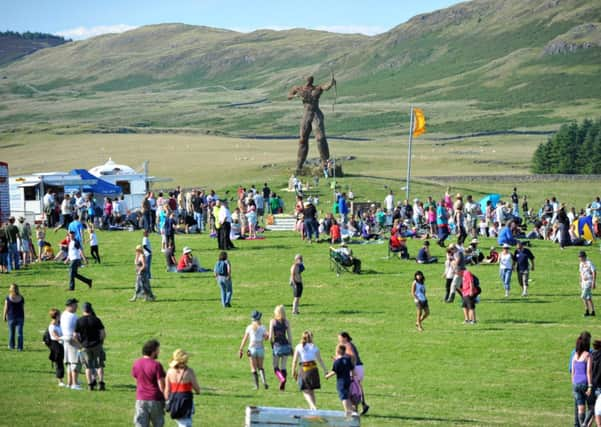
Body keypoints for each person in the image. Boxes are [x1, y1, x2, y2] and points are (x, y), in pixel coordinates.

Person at [287, 75, 336, 174]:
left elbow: (325, 87)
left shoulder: (317, 88)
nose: (309, 81)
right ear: (304, 80)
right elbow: (288, 96)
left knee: (320, 138)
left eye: (310, 79)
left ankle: (325, 164)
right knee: (302, 140)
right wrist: (295, 96)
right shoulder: (299, 89)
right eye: (307, 79)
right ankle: (299, 166)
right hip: (306, 114)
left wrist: (331, 82)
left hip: (316, 114)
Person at [291, 330, 329, 410]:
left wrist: (293, 371)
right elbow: (320, 360)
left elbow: (294, 361)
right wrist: (325, 370)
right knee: (311, 390)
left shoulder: (298, 346)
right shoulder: (314, 347)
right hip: (314, 369)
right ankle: (313, 409)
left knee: (305, 390)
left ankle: (313, 406)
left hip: (304, 369)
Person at [132, 339, 166, 427]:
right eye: (158, 350)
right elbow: (162, 386)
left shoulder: (136, 363)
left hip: (141, 399)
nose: (159, 352)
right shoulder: (156, 365)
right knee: (158, 424)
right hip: (155, 399)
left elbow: (137, 378)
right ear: (153, 351)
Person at [164, 349, 201, 427]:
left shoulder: (170, 371)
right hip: (186, 401)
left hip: (174, 400)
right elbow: (197, 389)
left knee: (181, 422)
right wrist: (197, 391)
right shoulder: (189, 372)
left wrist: (167, 401)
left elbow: (167, 390)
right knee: (185, 423)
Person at [74, 302, 106, 391]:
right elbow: (103, 333)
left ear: (83, 310)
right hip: (97, 345)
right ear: (91, 309)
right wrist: (101, 342)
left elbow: (75, 335)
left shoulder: (79, 321)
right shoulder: (96, 320)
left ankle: (90, 384)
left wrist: (80, 344)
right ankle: (101, 383)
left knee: (88, 367)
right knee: (99, 365)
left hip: (85, 346)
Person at [338, 332, 369, 415]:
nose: (339, 340)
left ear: (345, 338)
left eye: (340, 338)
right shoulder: (350, 344)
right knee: (357, 387)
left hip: (355, 368)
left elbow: (352, 356)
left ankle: (355, 410)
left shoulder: (347, 345)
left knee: (352, 388)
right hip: (359, 367)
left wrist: (352, 369)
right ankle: (363, 404)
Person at [238, 310, 269, 390]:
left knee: (253, 368)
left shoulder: (249, 327)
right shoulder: (263, 327)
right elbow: (266, 338)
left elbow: (245, 339)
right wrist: (267, 335)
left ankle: (256, 386)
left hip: (251, 349)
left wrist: (241, 349)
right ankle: (264, 382)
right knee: (261, 367)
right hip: (260, 349)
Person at [325, 344, 356, 416]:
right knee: (347, 396)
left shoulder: (337, 362)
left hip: (341, 382)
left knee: (343, 397)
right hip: (348, 380)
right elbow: (352, 369)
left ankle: (347, 412)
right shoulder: (347, 360)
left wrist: (327, 376)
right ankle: (352, 409)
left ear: (338, 351)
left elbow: (334, 371)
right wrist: (352, 376)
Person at [269, 305, 293, 391]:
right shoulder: (287, 322)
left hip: (277, 346)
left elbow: (270, 337)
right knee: (283, 366)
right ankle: (283, 384)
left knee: (275, 366)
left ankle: (281, 379)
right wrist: (291, 346)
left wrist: (272, 344)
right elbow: (289, 336)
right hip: (286, 345)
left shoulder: (272, 321)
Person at [572, 335, 593, 427]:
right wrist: (590, 386)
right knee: (592, 407)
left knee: (580, 408)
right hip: (584, 383)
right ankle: (585, 424)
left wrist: (573, 384)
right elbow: (589, 372)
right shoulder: (588, 355)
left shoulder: (575, 355)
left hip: (576, 384)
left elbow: (573, 371)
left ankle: (582, 424)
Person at [61, 298, 81, 389]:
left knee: (68, 363)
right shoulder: (74, 316)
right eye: (75, 305)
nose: (77, 307)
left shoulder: (63, 314)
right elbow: (76, 331)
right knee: (75, 362)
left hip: (65, 339)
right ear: (71, 305)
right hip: (72, 339)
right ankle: (75, 383)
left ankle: (69, 383)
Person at [3, 283, 24, 351]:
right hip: (20, 317)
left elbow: (6, 308)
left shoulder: (8, 298)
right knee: (20, 333)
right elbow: (22, 308)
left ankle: (12, 346)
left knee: (12, 333)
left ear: (10, 289)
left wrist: (4, 316)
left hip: (11, 317)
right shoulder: (21, 297)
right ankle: (20, 347)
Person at [47, 308, 65, 387]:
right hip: (56, 346)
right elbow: (56, 337)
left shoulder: (60, 323)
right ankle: (60, 380)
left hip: (62, 344)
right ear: (57, 316)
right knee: (59, 363)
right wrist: (66, 337)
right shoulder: (52, 326)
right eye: (60, 315)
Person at [579, 251, 597, 317]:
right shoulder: (581, 264)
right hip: (584, 282)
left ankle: (586, 311)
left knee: (583, 296)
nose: (580, 258)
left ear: (584, 257)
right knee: (588, 297)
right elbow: (581, 273)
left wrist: (593, 282)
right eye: (579, 257)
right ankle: (593, 311)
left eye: (581, 257)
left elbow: (594, 271)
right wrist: (580, 281)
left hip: (589, 282)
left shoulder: (589, 263)